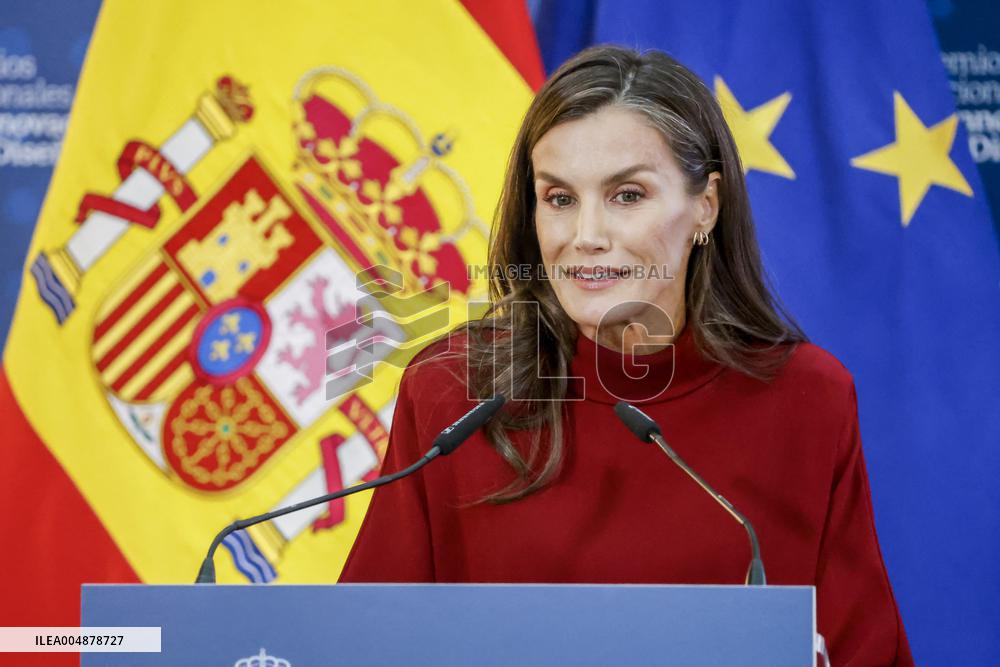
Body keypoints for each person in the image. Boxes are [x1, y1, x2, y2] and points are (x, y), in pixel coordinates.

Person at [339, 45, 913, 665]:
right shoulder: (453, 390)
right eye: (559, 198)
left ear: (705, 207)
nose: (586, 236)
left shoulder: (808, 399)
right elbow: (361, 643)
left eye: (627, 196)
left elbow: (863, 647)